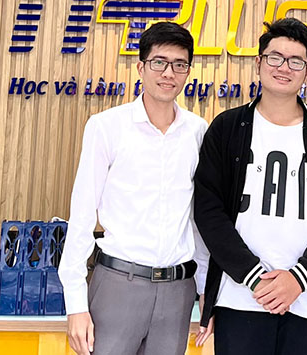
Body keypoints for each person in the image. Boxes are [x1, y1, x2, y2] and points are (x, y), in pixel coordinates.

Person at [194, 17, 307, 355]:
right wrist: (254, 276)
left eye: (296, 61)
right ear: (258, 63)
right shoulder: (227, 128)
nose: (284, 67)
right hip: (241, 297)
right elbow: (208, 211)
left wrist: (299, 278)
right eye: (275, 57)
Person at [57, 22, 212, 355]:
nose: (169, 73)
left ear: (188, 72)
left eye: (179, 64)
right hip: (118, 284)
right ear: (141, 67)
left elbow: (198, 220)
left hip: (178, 291)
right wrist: (75, 304)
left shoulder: (198, 131)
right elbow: (82, 214)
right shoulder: (106, 127)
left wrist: (205, 288)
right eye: (159, 62)